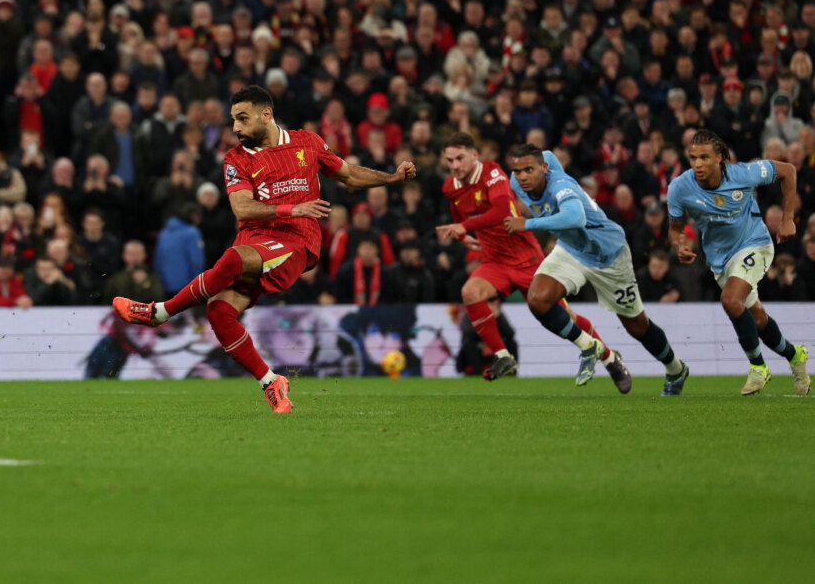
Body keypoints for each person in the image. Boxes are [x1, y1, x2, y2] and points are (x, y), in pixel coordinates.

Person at [114, 85, 416, 413]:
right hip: (256, 239)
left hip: (296, 241)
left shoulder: (308, 142)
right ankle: (271, 382)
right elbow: (242, 209)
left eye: (242, 119)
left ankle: (161, 312)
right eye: (233, 120)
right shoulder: (236, 159)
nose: (236, 128)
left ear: (266, 114)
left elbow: (348, 174)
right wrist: (290, 208)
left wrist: (391, 179)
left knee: (232, 258)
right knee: (219, 311)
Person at [507, 145, 691, 396]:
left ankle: (675, 368)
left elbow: (575, 218)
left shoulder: (561, 186)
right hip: (571, 249)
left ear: (544, 169)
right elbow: (547, 154)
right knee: (538, 300)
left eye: (529, 169)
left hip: (608, 255)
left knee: (637, 325)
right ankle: (590, 346)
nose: (523, 176)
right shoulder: (520, 179)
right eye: (518, 170)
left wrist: (528, 223)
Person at [434, 132, 606, 380]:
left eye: (459, 158)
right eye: (449, 161)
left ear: (474, 155)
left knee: (563, 317)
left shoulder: (493, 174)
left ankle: (609, 357)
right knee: (470, 292)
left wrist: (465, 227)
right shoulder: (451, 186)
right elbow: (457, 210)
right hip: (495, 261)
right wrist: (462, 235)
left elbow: (502, 212)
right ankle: (504, 356)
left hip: (527, 260)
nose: (455, 166)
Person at [667, 130, 809, 396]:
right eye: (693, 158)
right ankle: (795, 355)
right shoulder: (679, 188)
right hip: (720, 258)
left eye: (705, 158)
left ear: (720, 158)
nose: (698, 164)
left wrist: (788, 217)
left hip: (755, 243)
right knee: (757, 318)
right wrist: (679, 246)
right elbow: (674, 229)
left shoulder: (743, 173)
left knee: (730, 300)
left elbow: (788, 171)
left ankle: (758, 367)